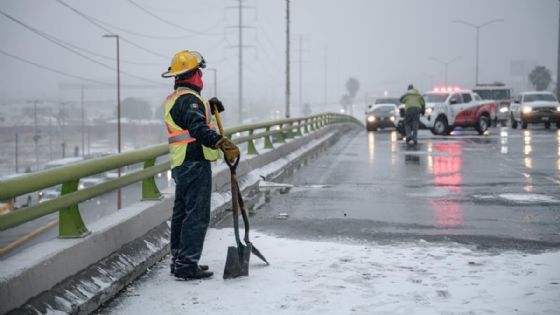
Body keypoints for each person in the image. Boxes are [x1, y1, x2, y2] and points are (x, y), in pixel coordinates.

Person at [161, 50, 240, 280]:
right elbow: (197, 128)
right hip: (194, 162)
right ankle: (187, 264)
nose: (202, 78)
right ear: (193, 75)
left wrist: (210, 108)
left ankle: (179, 260)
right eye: (200, 73)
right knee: (196, 215)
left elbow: (192, 123)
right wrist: (220, 142)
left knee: (182, 214)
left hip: (181, 163)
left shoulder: (176, 99)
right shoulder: (189, 100)